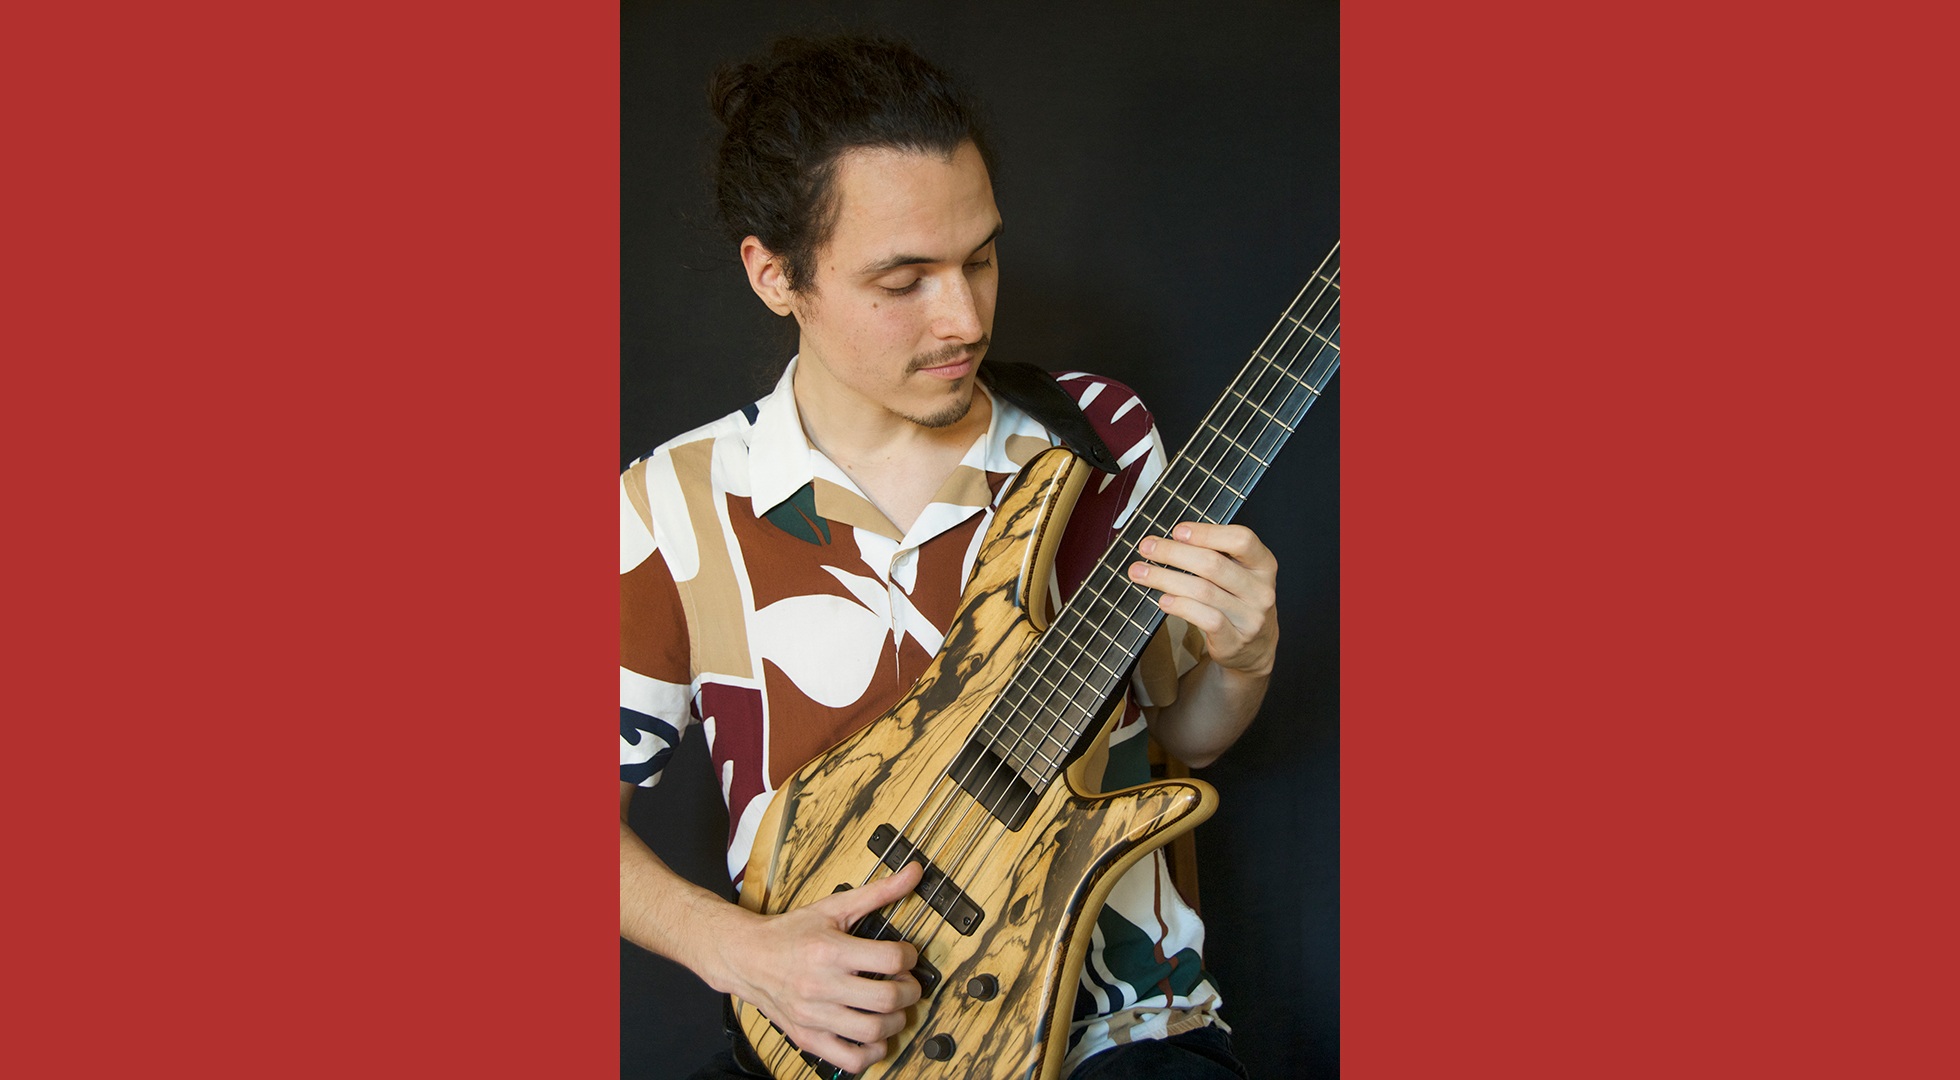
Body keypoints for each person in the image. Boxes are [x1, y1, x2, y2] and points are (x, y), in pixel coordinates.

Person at [620, 35, 1276, 1080]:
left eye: (980, 257)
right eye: (903, 280)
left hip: (1115, 1033)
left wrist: (1239, 661)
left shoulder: (1099, 435)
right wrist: (742, 955)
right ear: (774, 274)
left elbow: (1178, 739)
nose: (962, 317)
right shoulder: (671, 507)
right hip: (837, 1045)